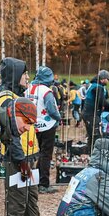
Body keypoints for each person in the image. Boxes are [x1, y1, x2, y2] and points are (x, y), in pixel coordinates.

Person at [0, 58, 54, 216]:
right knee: (17, 199)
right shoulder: (6, 98)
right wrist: (20, 160)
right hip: (16, 158)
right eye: (24, 73)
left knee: (31, 196)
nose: (28, 77)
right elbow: (11, 134)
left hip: (30, 155)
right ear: (15, 75)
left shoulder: (18, 95)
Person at [26, 66, 62, 194]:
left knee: (34, 154)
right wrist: (59, 118)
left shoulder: (28, 88)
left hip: (31, 126)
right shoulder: (47, 91)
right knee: (45, 155)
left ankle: (33, 181)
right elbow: (52, 110)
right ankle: (43, 184)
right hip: (47, 127)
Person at [82, 70, 109, 154]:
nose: (108, 81)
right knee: (95, 135)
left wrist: (108, 108)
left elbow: (102, 101)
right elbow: (101, 101)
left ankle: (91, 153)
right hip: (90, 115)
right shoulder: (97, 87)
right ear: (102, 79)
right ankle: (94, 154)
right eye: (107, 79)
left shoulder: (97, 86)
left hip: (91, 114)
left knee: (92, 135)